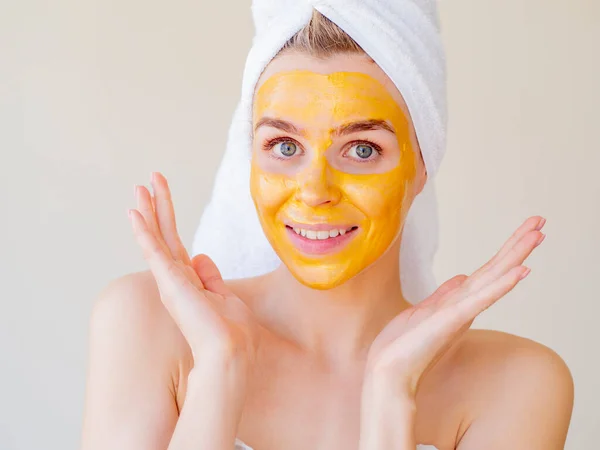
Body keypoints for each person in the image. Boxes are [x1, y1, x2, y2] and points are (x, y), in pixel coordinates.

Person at [80, 6, 574, 450]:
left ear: (422, 164)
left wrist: (389, 394)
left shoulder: (514, 385)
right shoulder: (149, 323)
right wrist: (219, 371)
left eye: (362, 149)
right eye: (285, 146)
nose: (315, 190)